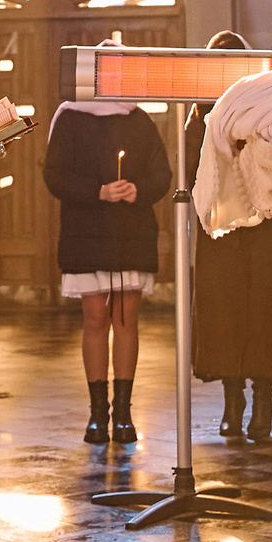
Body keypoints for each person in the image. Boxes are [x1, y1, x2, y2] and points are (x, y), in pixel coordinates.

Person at [185, 29, 272, 444]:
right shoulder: (200, 113)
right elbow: (191, 172)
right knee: (226, 317)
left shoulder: (271, 107)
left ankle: (263, 402)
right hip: (223, 232)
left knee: (266, 314)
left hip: (267, 227)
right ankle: (232, 402)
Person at [44, 90, 172, 447]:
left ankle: (125, 414)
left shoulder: (138, 118)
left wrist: (137, 189)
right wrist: (98, 191)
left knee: (126, 319)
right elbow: (54, 175)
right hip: (86, 232)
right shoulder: (69, 117)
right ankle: (98, 415)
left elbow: (161, 173)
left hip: (130, 234)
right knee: (96, 321)